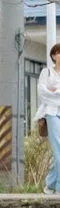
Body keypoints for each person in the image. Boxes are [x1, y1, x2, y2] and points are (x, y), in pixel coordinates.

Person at [40, 44, 60, 194]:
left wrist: (56, 90)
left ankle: (50, 184)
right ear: (54, 56)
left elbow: (52, 93)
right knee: (58, 150)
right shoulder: (46, 72)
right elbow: (43, 93)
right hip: (52, 114)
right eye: (59, 53)